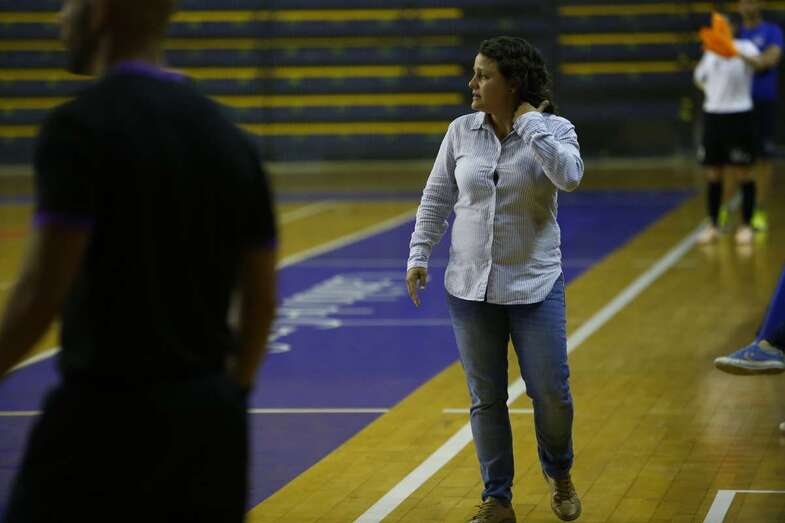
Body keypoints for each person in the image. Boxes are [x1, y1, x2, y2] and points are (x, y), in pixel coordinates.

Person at [0, 1, 277, 522]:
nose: (59, 19)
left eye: (68, 4)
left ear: (101, 11)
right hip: (210, 426)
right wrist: (230, 395)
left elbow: (40, 293)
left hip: (104, 418)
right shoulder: (230, 137)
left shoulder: (78, 128)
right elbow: (260, 299)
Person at [406, 36, 583, 523]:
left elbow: (569, 177)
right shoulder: (461, 131)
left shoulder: (554, 129)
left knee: (550, 393)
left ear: (513, 84)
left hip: (534, 286)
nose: (473, 82)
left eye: (484, 75)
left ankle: (560, 471)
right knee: (486, 399)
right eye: (475, 72)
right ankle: (497, 499)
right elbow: (437, 196)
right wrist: (419, 253)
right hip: (468, 288)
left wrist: (528, 124)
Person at [694, 13, 762, 245]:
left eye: (727, 25)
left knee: (744, 172)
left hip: (739, 116)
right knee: (713, 173)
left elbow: (760, 65)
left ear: (734, 27)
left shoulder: (746, 47)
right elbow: (699, 78)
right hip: (714, 116)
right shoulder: (711, 51)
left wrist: (735, 52)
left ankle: (747, 224)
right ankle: (713, 223)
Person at [737, 0, 783, 231]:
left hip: (763, 102)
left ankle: (760, 209)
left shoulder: (772, 31)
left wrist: (740, 55)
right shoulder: (734, 33)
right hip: (734, 104)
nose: (747, 4)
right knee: (735, 159)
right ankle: (730, 208)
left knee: (764, 158)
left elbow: (769, 61)